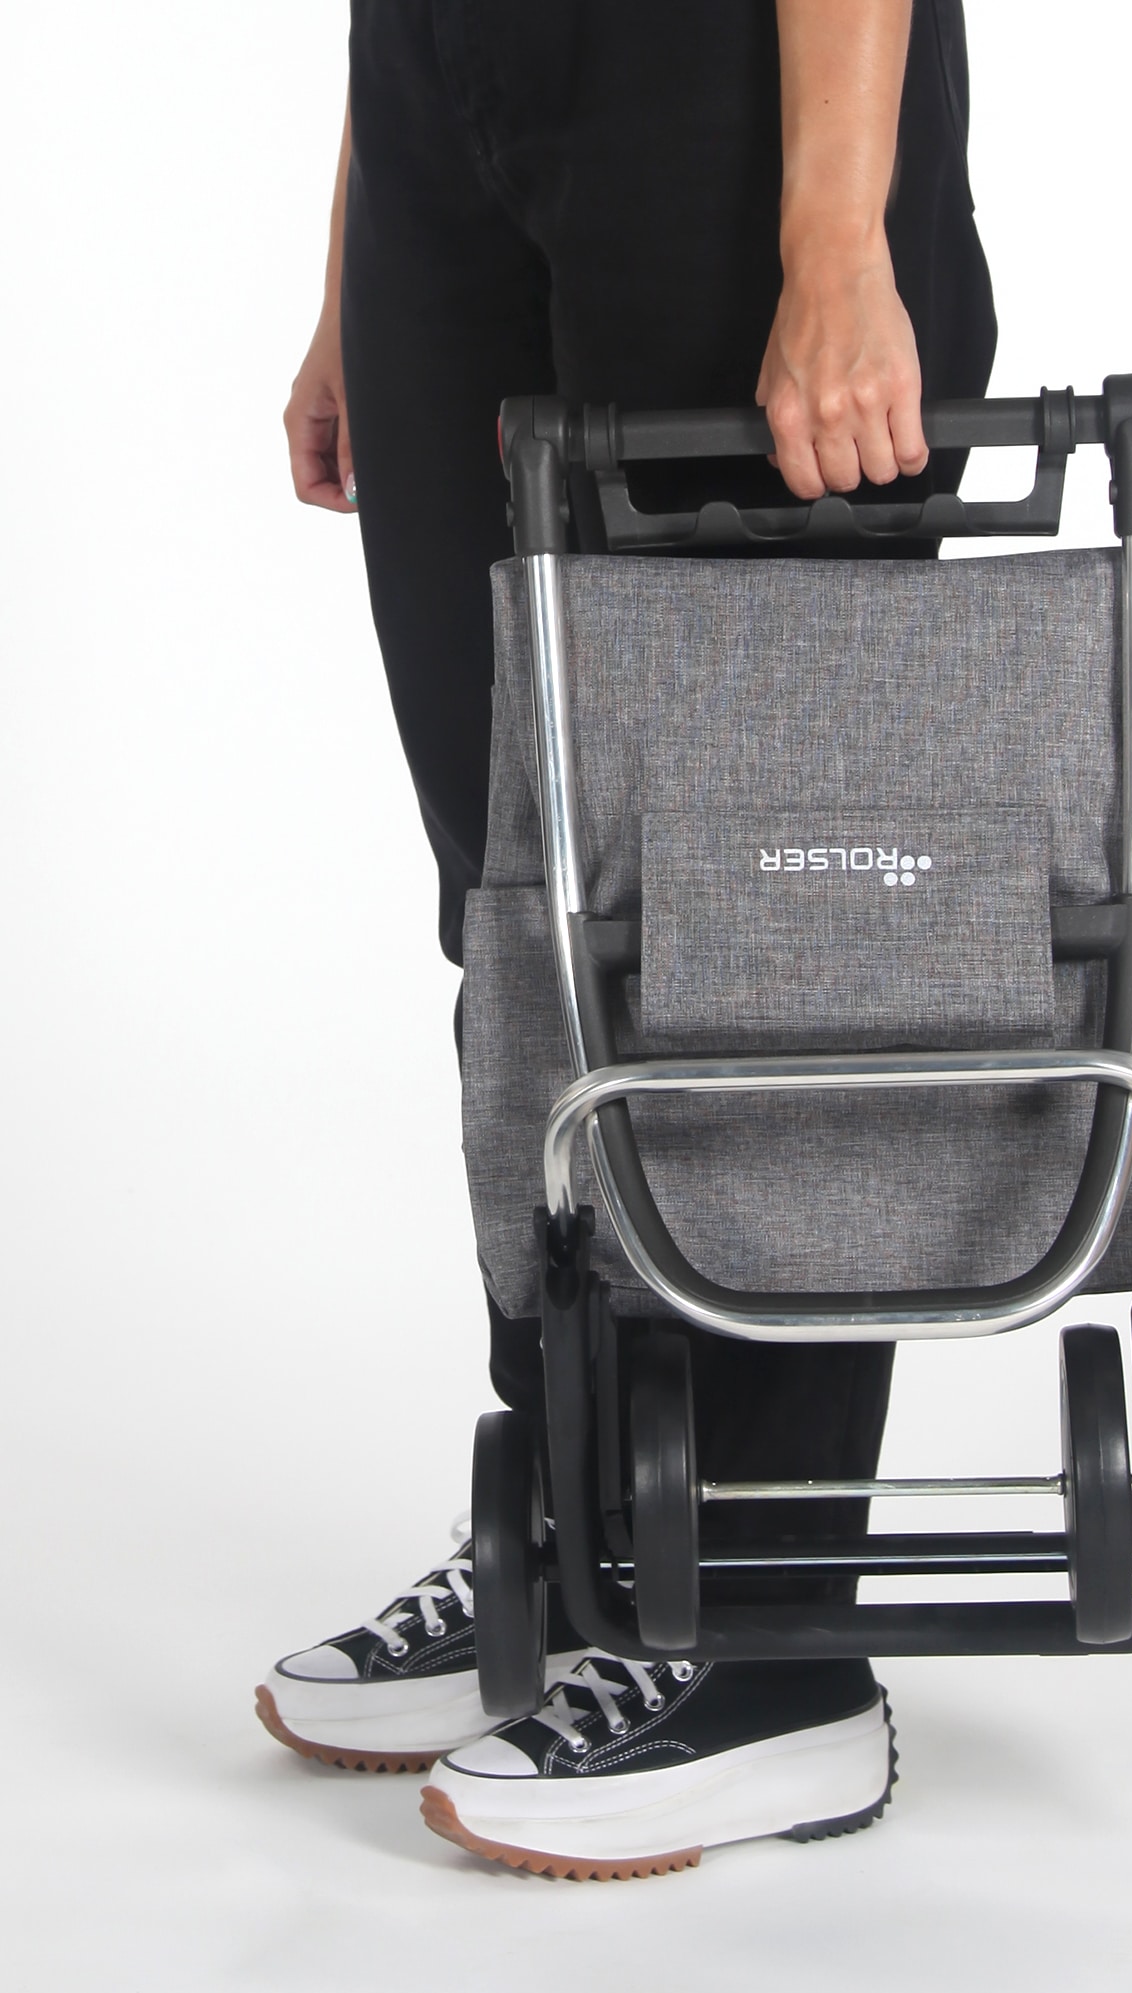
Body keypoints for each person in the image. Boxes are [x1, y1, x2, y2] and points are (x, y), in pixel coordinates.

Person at [258, 0, 995, 1878]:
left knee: (755, 909)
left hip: (720, 84)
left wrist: (839, 235)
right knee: (518, 898)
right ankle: (588, 1547)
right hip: (444, 91)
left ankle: (768, 1639)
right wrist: (357, 259)